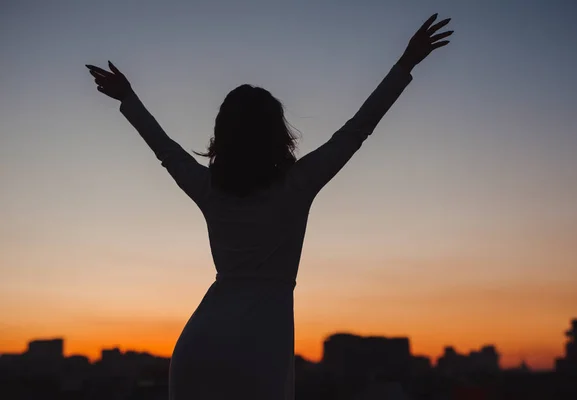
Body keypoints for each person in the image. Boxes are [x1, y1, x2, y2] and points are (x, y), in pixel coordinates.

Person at [86, 13, 452, 400]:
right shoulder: (297, 185)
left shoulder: (210, 188)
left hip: (199, 346)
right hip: (260, 351)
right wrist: (405, 64)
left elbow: (166, 151)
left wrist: (128, 97)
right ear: (278, 133)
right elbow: (357, 129)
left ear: (221, 135)